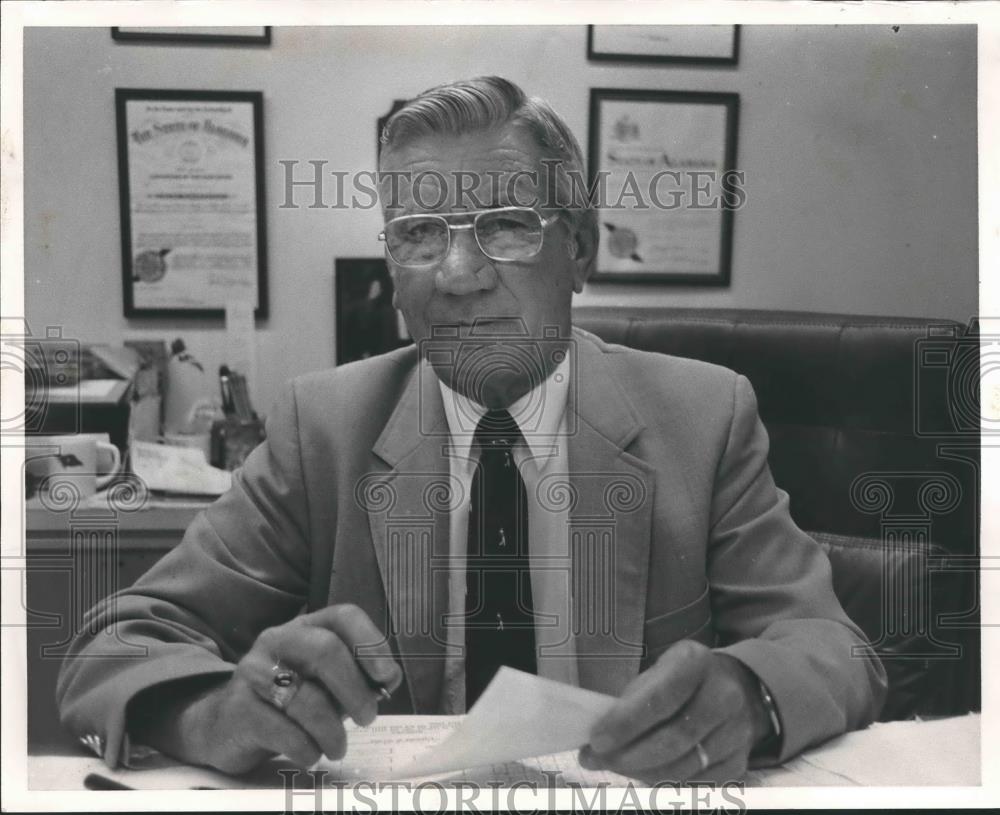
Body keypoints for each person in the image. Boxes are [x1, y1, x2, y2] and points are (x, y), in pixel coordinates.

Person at [57, 76, 886, 784]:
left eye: (507, 225)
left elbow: (833, 647)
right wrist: (215, 711)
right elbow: (114, 647)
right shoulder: (325, 426)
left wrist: (746, 693)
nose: (457, 275)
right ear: (391, 265)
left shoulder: (705, 417)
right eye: (418, 235)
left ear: (582, 250)